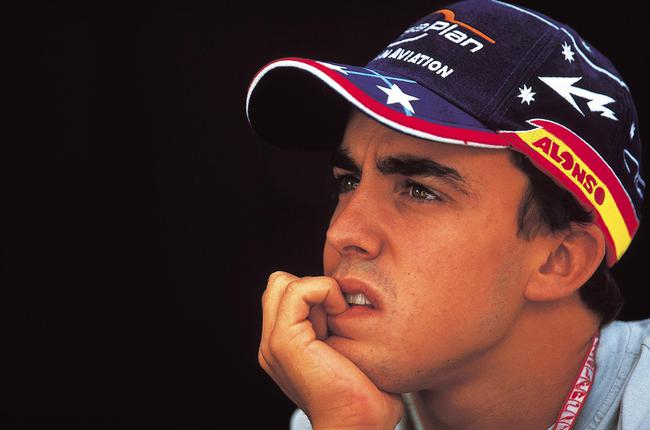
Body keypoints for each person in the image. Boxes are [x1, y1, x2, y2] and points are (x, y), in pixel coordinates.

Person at [245, 1, 648, 429]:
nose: (343, 232)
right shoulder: (337, 407)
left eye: (420, 191)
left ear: (560, 259)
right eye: (348, 182)